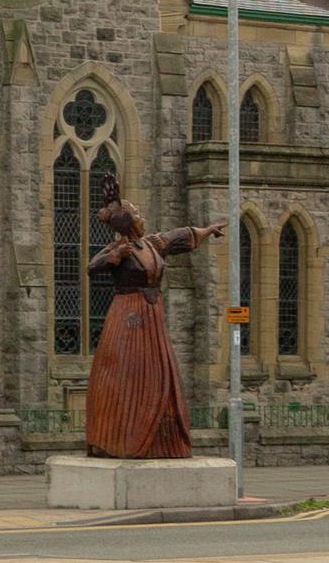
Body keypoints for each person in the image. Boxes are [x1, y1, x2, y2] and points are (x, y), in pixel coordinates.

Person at [83, 177, 224, 460]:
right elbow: (92, 267)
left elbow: (179, 236)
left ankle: (160, 440)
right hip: (127, 317)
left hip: (151, 316)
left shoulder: (151, 245)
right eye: (137, 214)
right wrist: (113, 258)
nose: (142, 217)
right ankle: (119, 437)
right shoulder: (118, 250)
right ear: (127, 223)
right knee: (127, 372)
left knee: (158, 372)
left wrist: (207, 230)